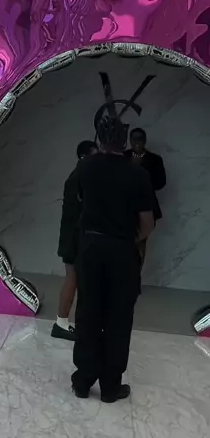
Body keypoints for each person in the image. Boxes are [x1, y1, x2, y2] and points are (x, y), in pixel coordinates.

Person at [71, 115, 155, 403]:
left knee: (88, 311)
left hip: (91, 247)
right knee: (119, 317)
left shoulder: (85, 167)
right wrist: (130, 239)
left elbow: (80, 200)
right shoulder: (137, 174)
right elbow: (147, 223)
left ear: (100, 138)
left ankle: (83, 381)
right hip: (121, 251)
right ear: (125, 140)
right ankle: (110, 387)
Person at [52, 139, 98, 341]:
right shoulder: (80, 178)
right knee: (73, 278)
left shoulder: (78, 176)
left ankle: (64, 322)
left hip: (73, 237)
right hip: (74, 238)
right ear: (84, 156)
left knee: (75, 279)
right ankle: (61, 323)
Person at [125, 127, 166, 262]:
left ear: (145, 141)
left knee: (141, 243)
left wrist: (143, 176)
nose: (137, 143)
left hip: (146, 206)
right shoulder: (123, 158)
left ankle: (136, 271)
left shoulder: (155, 160)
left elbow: (161, 183)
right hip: (125, 206)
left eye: (140, 140)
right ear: (130, 141)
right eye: (134, 140)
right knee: (125, 243)